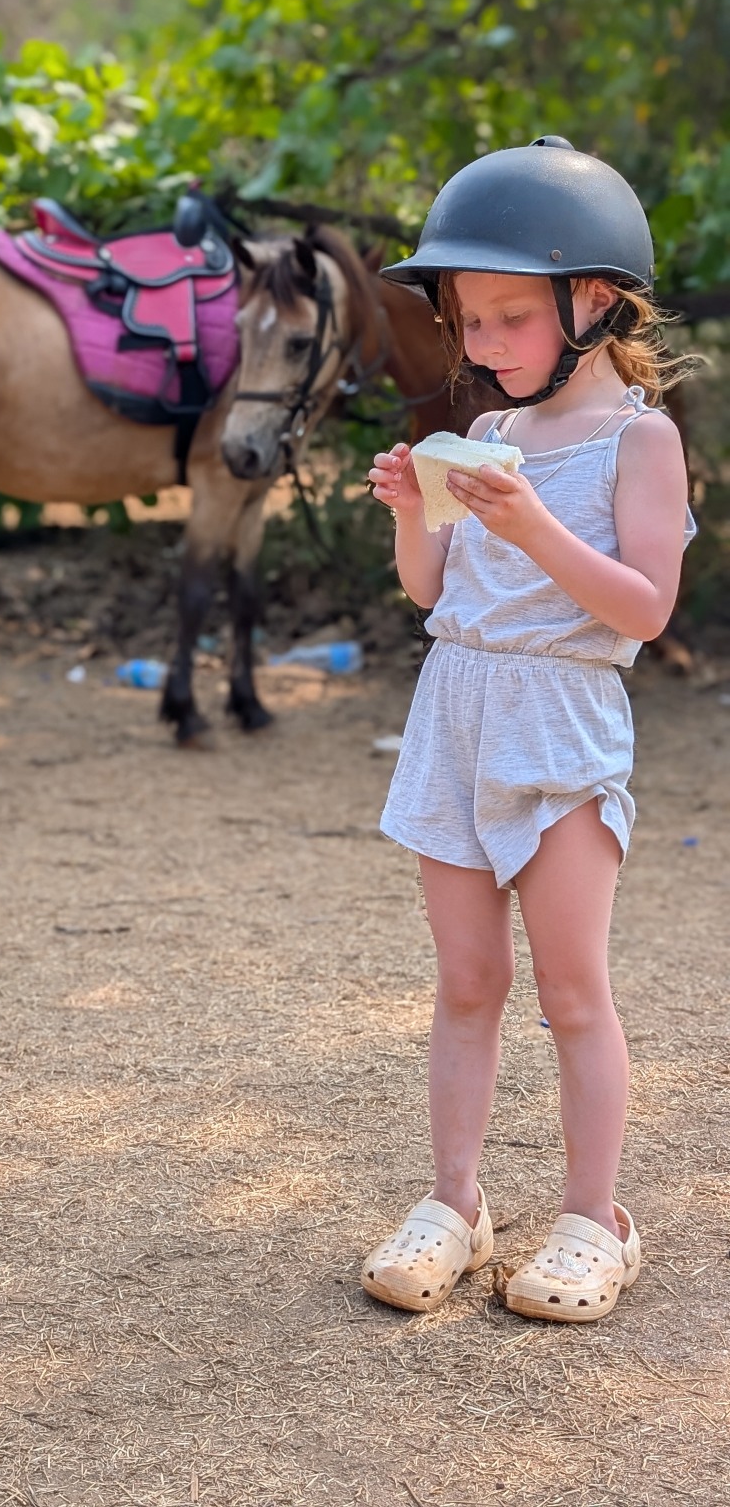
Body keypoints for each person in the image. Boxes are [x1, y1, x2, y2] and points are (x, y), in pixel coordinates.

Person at [362, 136, 694, 1322]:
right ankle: (456, 1202)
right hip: (455, 708)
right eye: (468, 322)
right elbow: (432, 592)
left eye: (510, 318)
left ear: (591, 303)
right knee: (465, 982)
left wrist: (535, 529)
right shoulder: (488, 443)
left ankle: (593, 1219)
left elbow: (643, 609)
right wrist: (416, 513)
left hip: (561, 721)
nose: (485, 345)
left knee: (570, 991)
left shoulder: (640, 441)